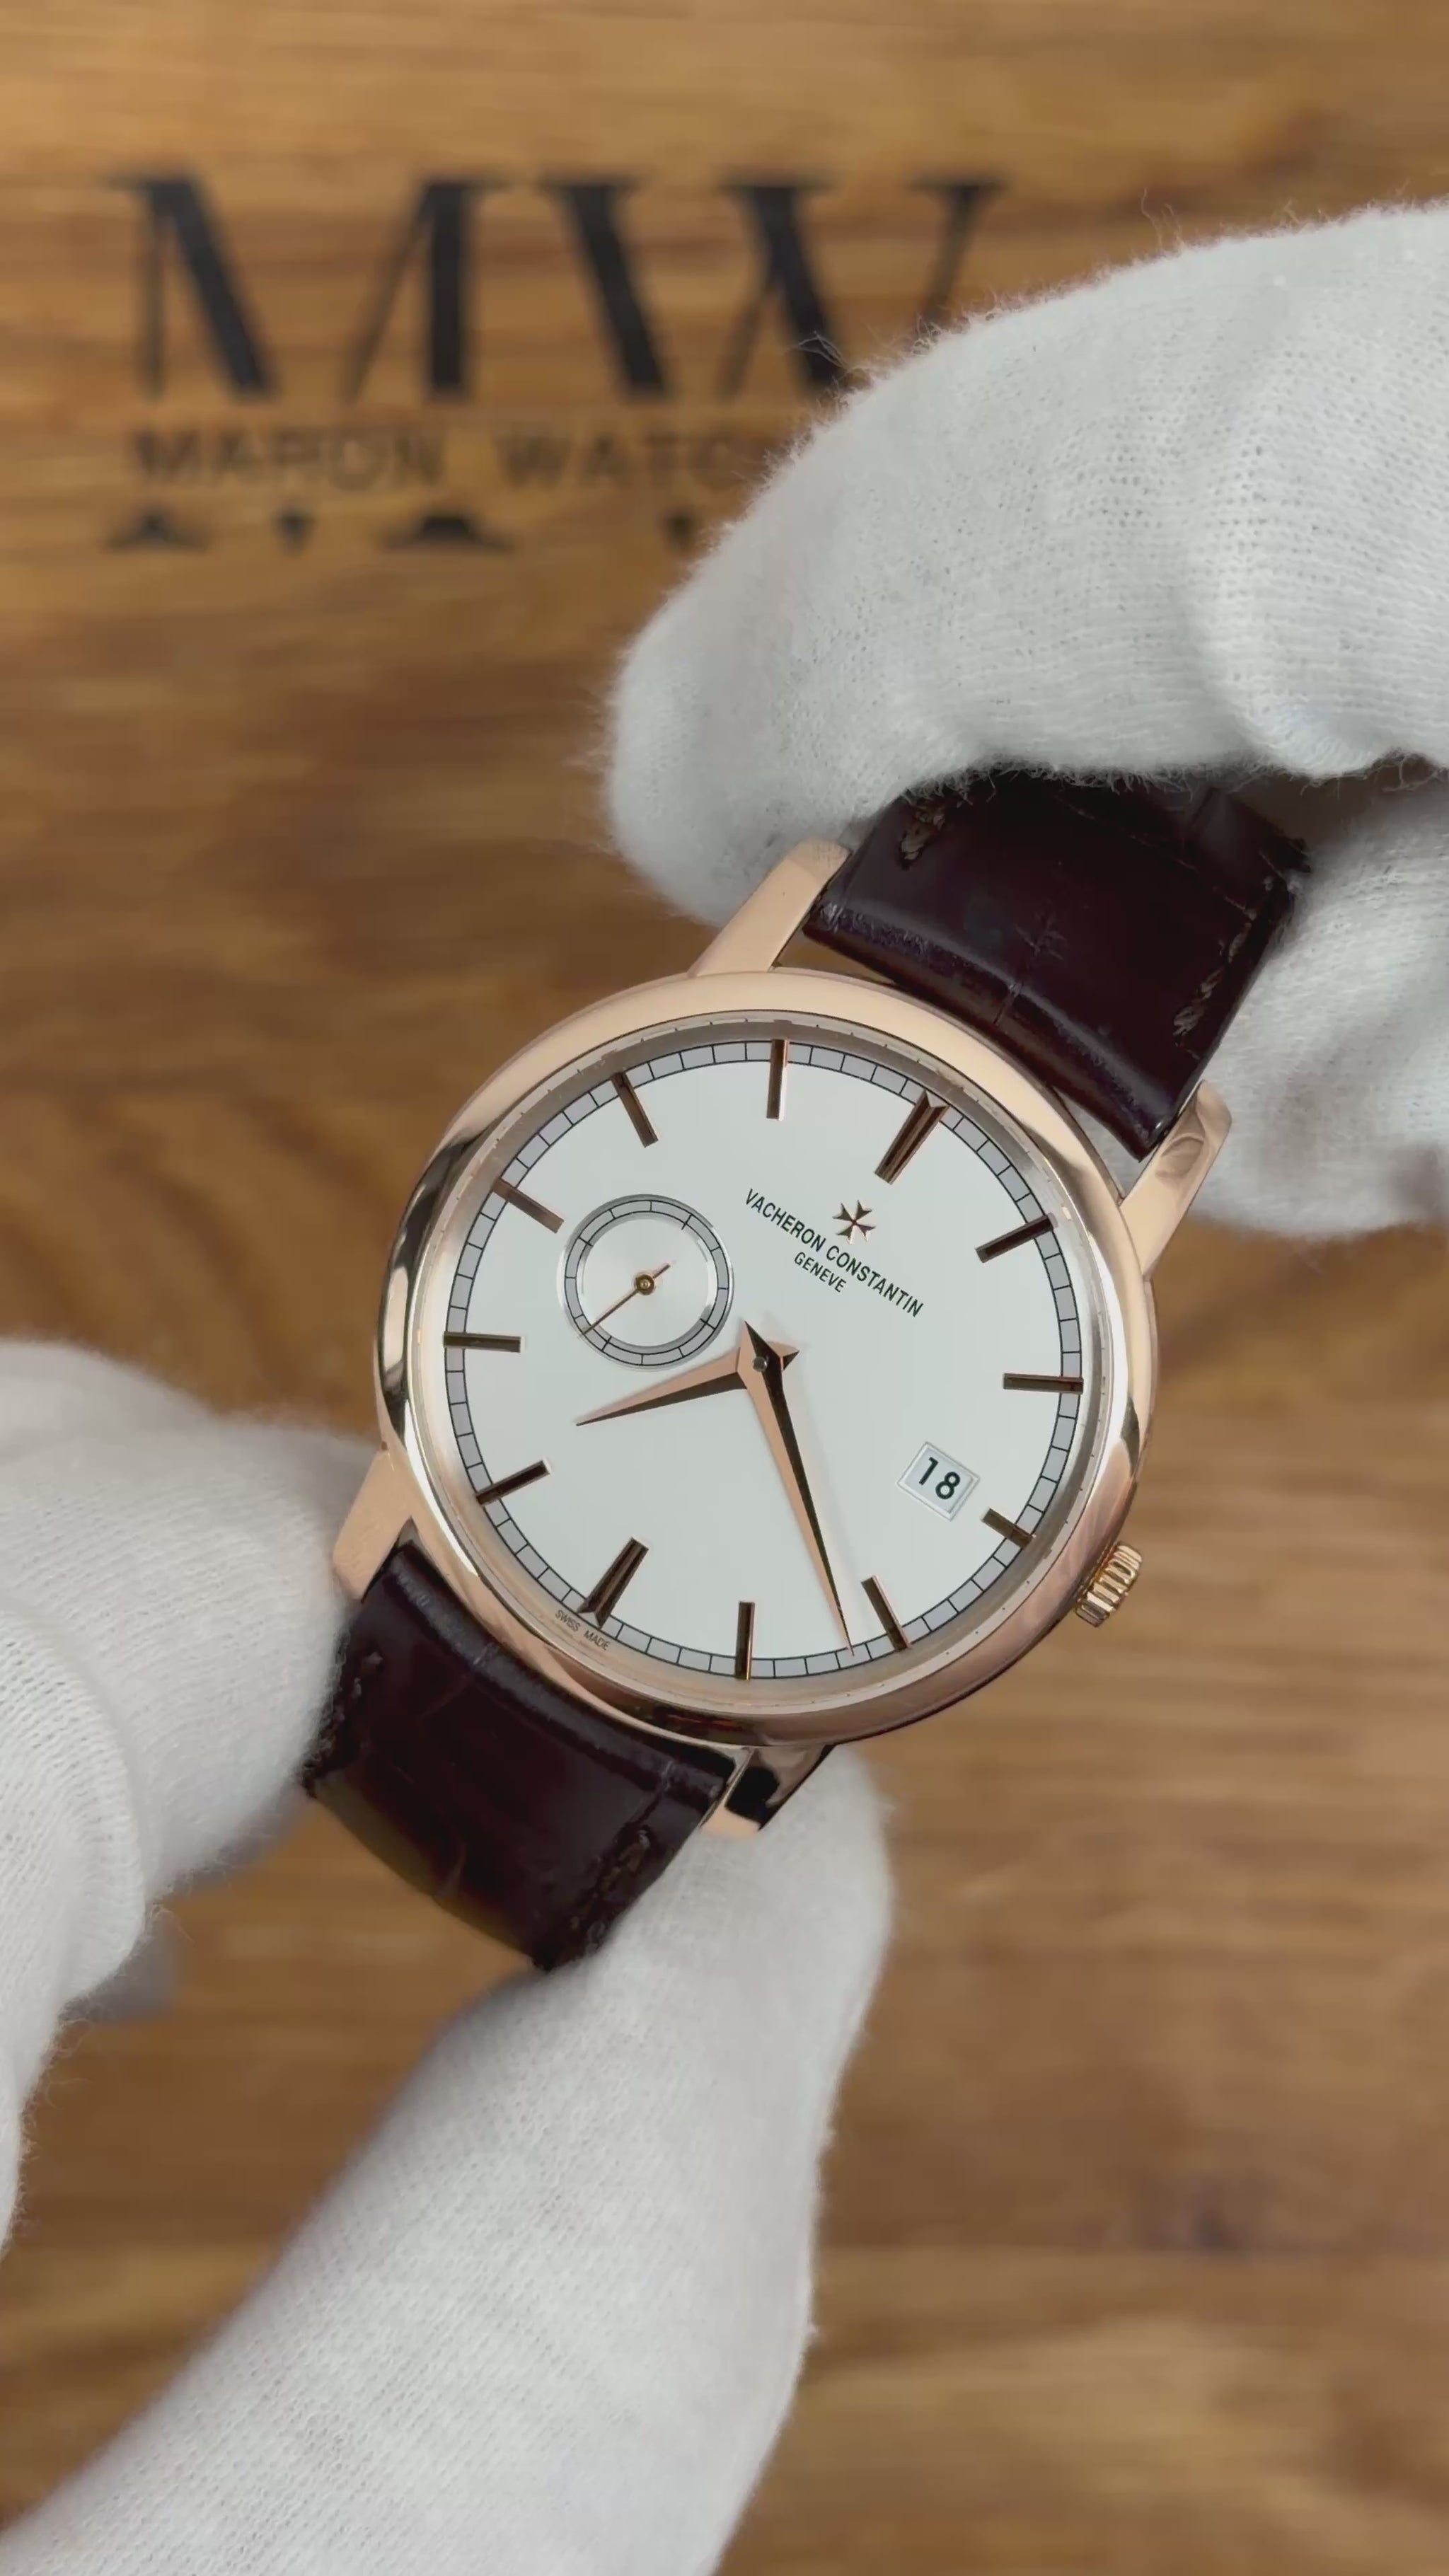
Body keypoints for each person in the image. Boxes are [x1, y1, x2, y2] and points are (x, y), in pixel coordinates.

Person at [4, 199, 1449, 2574]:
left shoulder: (1142, 1164)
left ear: (1056, 1548)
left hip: (657, 1587)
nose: (768, 1350)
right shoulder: (865, 1087)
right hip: (521, 1515)